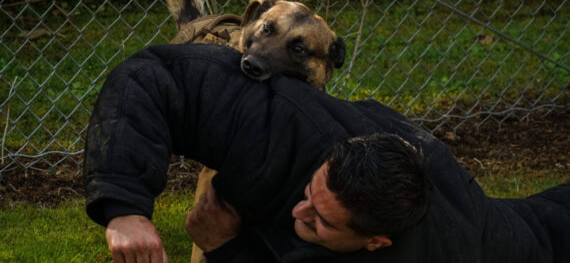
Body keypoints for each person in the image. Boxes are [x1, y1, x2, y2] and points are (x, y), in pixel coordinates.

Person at [84, 43, 570, 263]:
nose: (300, 210)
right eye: (310, 194)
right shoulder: (294, 128)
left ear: (375, 242)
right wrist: (124, 209)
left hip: (507, 243)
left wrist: (225, 248)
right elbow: (153, 76)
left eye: (320, 220)